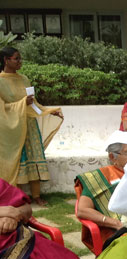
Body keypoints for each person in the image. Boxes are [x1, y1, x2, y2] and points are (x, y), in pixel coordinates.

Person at [0, 46, 63, 205]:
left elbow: (33, 103)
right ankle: (18, 197)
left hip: (30, 124)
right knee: (18, 160)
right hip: (13, 128)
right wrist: (22, 103)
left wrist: (48, 112)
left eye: (20, 58)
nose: (20, 61)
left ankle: (36, 196)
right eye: (16, 58)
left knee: (35, 157)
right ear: (6, 60)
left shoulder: (24, 79)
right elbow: (2, 108)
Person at [75, 130, 127, 251]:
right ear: (112, 157)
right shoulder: (99, 177)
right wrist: (115, 223)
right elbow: (83, 210)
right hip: (118, 232)